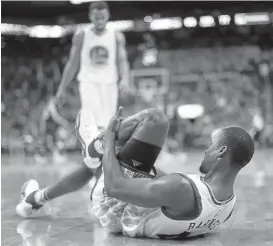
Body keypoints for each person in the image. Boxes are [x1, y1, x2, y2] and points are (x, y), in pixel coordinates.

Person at [16, 108, 255, 240]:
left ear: (222, 150)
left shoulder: (181, 189)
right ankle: (34, 200)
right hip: (142, 206)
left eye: (212, 145)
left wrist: (110, 143)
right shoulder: (228, 205)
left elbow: (114, 187)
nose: (206, 149)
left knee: (155, 119)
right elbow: (170, 197)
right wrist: (146, 168)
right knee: (95, 166)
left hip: (113, 203)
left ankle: (97, 143)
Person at [49, 1, 130, 131]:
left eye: (102, 18)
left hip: (110, 82)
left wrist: (125, 79)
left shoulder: (116, 35)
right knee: (92, 119)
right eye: (96, 18)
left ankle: (105, 149)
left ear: (108, 15)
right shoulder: (82, 35)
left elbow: (122, 60)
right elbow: (72, 63)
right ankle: (92, 147)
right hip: (88, 82)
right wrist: (62, 87)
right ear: (90, 16)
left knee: (109, 123)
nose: (99, 21)